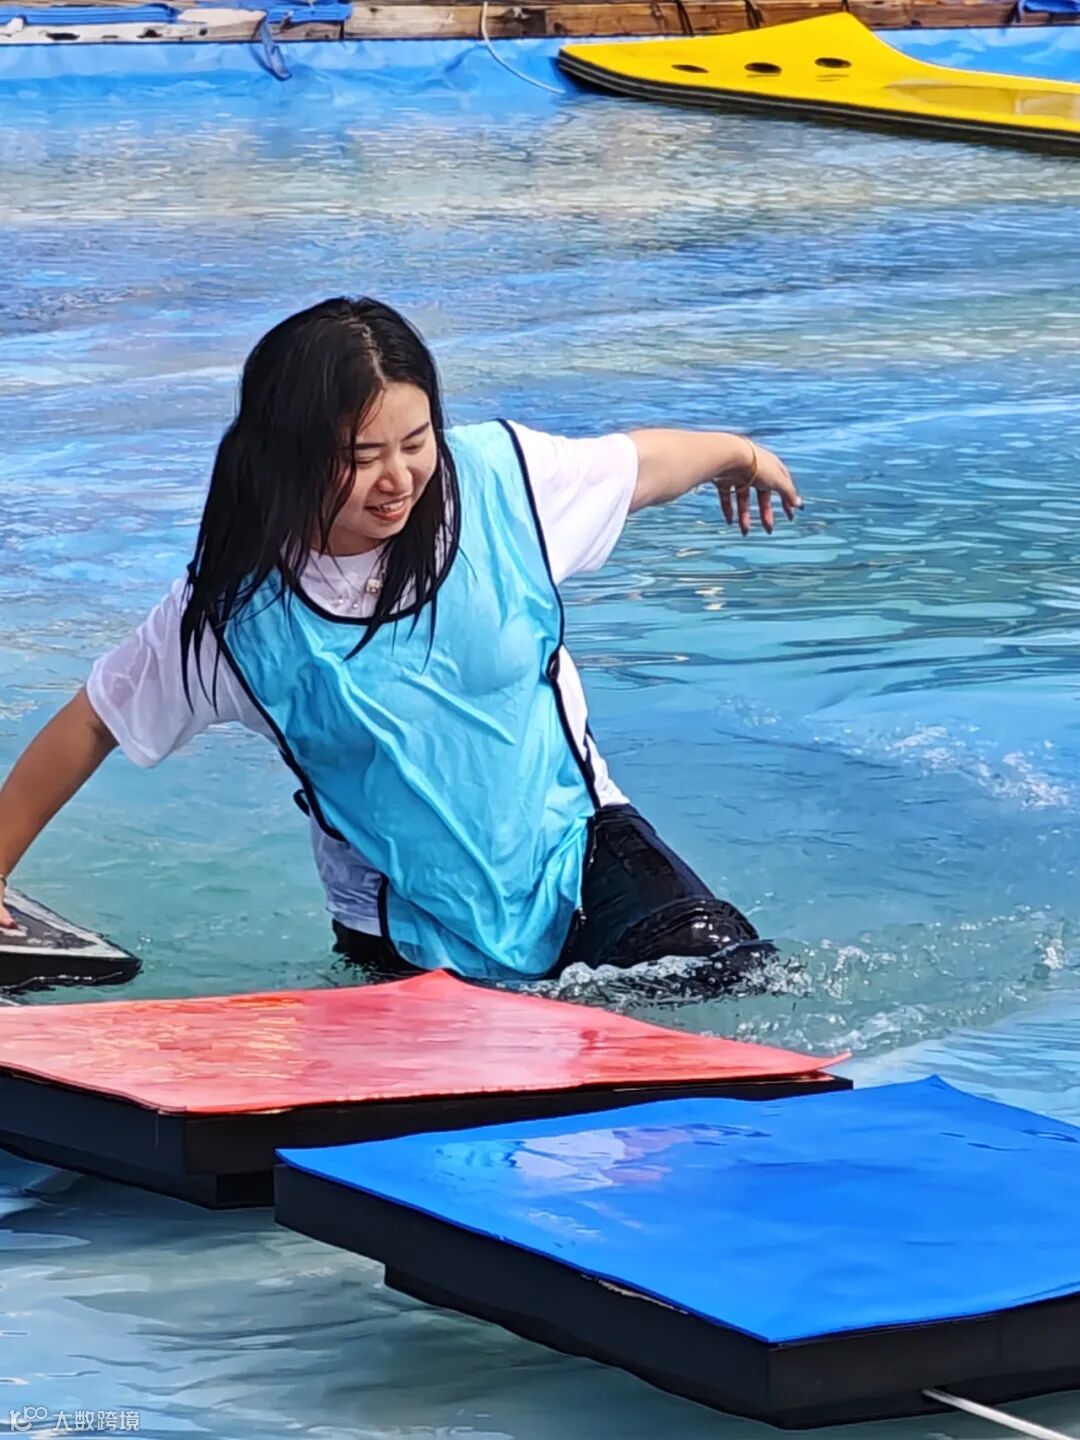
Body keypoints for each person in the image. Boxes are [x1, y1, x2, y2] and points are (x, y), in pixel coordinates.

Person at [0, 297, 801, 987]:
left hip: (581, 855)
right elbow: (96, 719)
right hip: (402, 916)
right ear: (287, 457)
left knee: (719, 970)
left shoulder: (499, 481)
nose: (399, 479)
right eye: (362, 457)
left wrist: (740, 455)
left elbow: (636, 466)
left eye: (416, 443)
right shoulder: (234, 614)